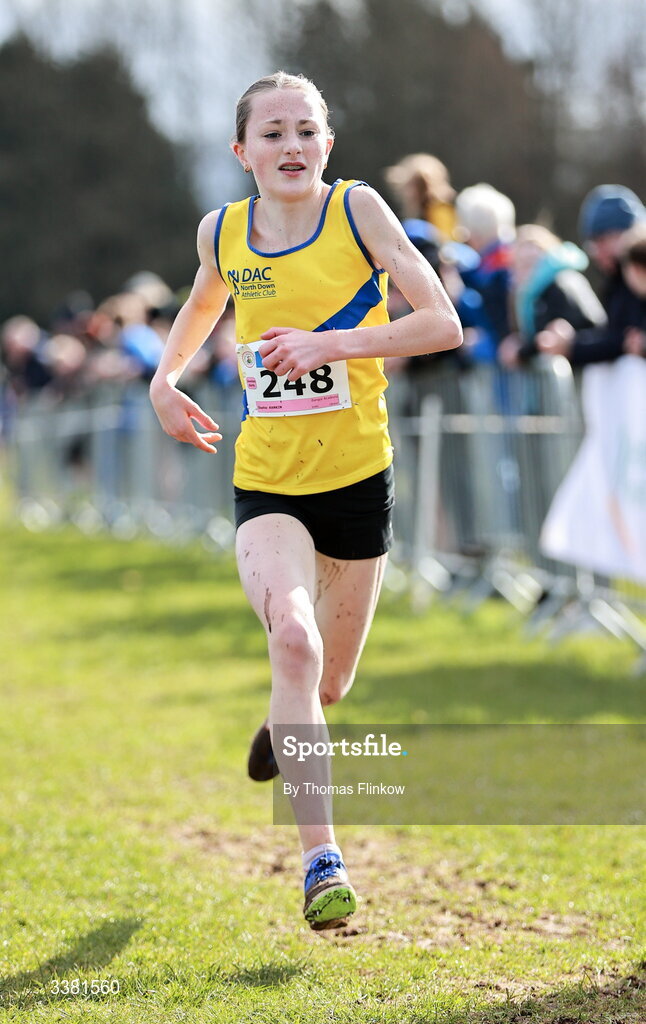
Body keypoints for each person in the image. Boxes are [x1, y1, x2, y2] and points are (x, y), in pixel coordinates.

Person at [149, 71, 462, 931]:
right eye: (273, 132)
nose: (291, 146)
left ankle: (285, 723)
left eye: (306, 131)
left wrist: (332, 342)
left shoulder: (359, 212)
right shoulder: (223, 231)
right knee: (292, 636)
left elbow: (443, 325)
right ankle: (322, 861)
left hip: (358, 478)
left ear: (328, 143)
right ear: (241, 150)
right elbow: (202, 303)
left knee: (327, 683)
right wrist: (164, 378)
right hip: (269, 481)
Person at [536, 184, 646, 364]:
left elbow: (622, 339)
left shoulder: (634, 283)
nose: (597, 251)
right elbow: (614, 334)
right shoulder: (616, 284)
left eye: (604, 239)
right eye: (593, 243)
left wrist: (573, 347)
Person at [498, 224, 606, 368]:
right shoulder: (528, 295)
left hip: (583, 371)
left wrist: (522, 352)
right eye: (521, 263)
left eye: (532, 262)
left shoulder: (563, 283)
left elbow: (594, 327)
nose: (529, 270)